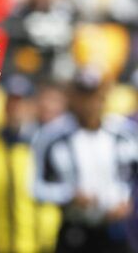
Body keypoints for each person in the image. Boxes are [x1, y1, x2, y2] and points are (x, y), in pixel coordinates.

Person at [33, 69, 138, 253]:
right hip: (75, 228)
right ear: (72, 97)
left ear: (103, 96)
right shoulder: (53, 135)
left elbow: (132, 177)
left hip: (116, 228)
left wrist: (128, 201)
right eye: (82, 96)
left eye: (94, 95)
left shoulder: (124, 133)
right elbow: (36, 187)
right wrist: (68, 195)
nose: (89, 104)